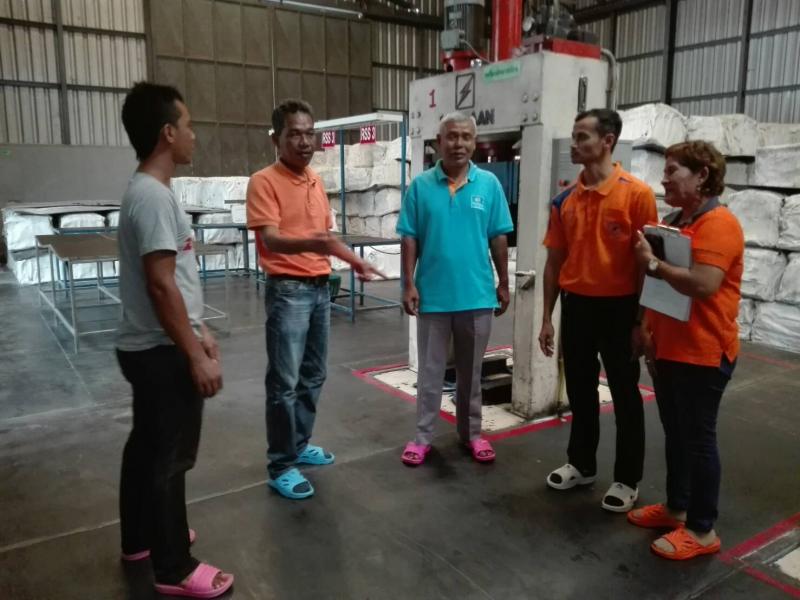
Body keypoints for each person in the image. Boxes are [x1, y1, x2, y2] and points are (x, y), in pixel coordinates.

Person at [117, 82, 233, 598]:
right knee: (171, 457)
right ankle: (174, 567)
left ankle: (141, 538)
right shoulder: (153, 197)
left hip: (148, 346)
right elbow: (161, 285)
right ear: (167, 133)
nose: (194, 135)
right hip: (161, 352)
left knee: (146, 446)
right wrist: (194, 354)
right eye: (188, 125)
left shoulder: (148, 192)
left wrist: (201, 328)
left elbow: (174, 283)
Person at [247, 99, 384, 500]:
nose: (305, 142)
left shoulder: (314, 181)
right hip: (288, 291)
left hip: (320, 288)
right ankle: (280, 464)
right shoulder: (263, 181)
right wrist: (318, 243)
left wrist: (353, 261)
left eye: (310, 134)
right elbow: (271, 239)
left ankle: (299, 444)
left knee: (313, 375)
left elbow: (327, 237)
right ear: (276, 138)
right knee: (284, 383)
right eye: (295, 134)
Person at [629, 141, 743, 560]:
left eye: (673, 170)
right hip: (669, 348)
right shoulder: (675, 221)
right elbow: (658, 286)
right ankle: (677, 507)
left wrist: (652, 262)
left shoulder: (719, 225)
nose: (664, 179)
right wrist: (644, 326)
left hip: (703, 352)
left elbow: (704, 284)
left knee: (698, 439)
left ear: (702, 175)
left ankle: (702, 528)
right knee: (676, 433)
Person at [539, 108, 657, 512]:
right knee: (580, 389)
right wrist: (547, 318)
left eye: (582, 137)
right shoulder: (564, 200)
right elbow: (554, 263)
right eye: (573, 137)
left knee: (625, 393)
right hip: (578, 307)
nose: (574, 144)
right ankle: (582, 463)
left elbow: (647, 266)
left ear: (608, 141)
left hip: (621, 309)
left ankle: (627, 478)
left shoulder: (636, 195)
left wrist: (642, 321)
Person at [397, 111, 514, 466]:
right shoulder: (420, 187)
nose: (458, 143)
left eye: (465, 137)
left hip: (476, 296)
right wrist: (408, 284)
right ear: (439, 142)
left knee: (470, 374)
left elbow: (498, 236)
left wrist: (503, 281)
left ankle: (472, 434)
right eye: (451, 136)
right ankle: (422, 438)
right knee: (430, 375)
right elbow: (409, 238)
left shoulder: (489, 185)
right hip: (433, 297)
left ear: (474, 143)